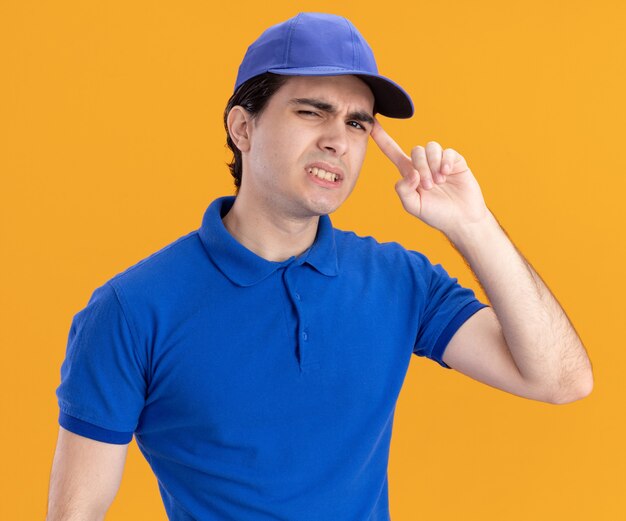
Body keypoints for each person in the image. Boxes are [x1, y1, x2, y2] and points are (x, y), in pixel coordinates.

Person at [46, 12, 593, 521]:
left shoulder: (400, 280)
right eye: (312, 112)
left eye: (358, 124)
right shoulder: (130, 311)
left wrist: (471, 226)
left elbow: (561, 380)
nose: (337, 141)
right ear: (243, 128)